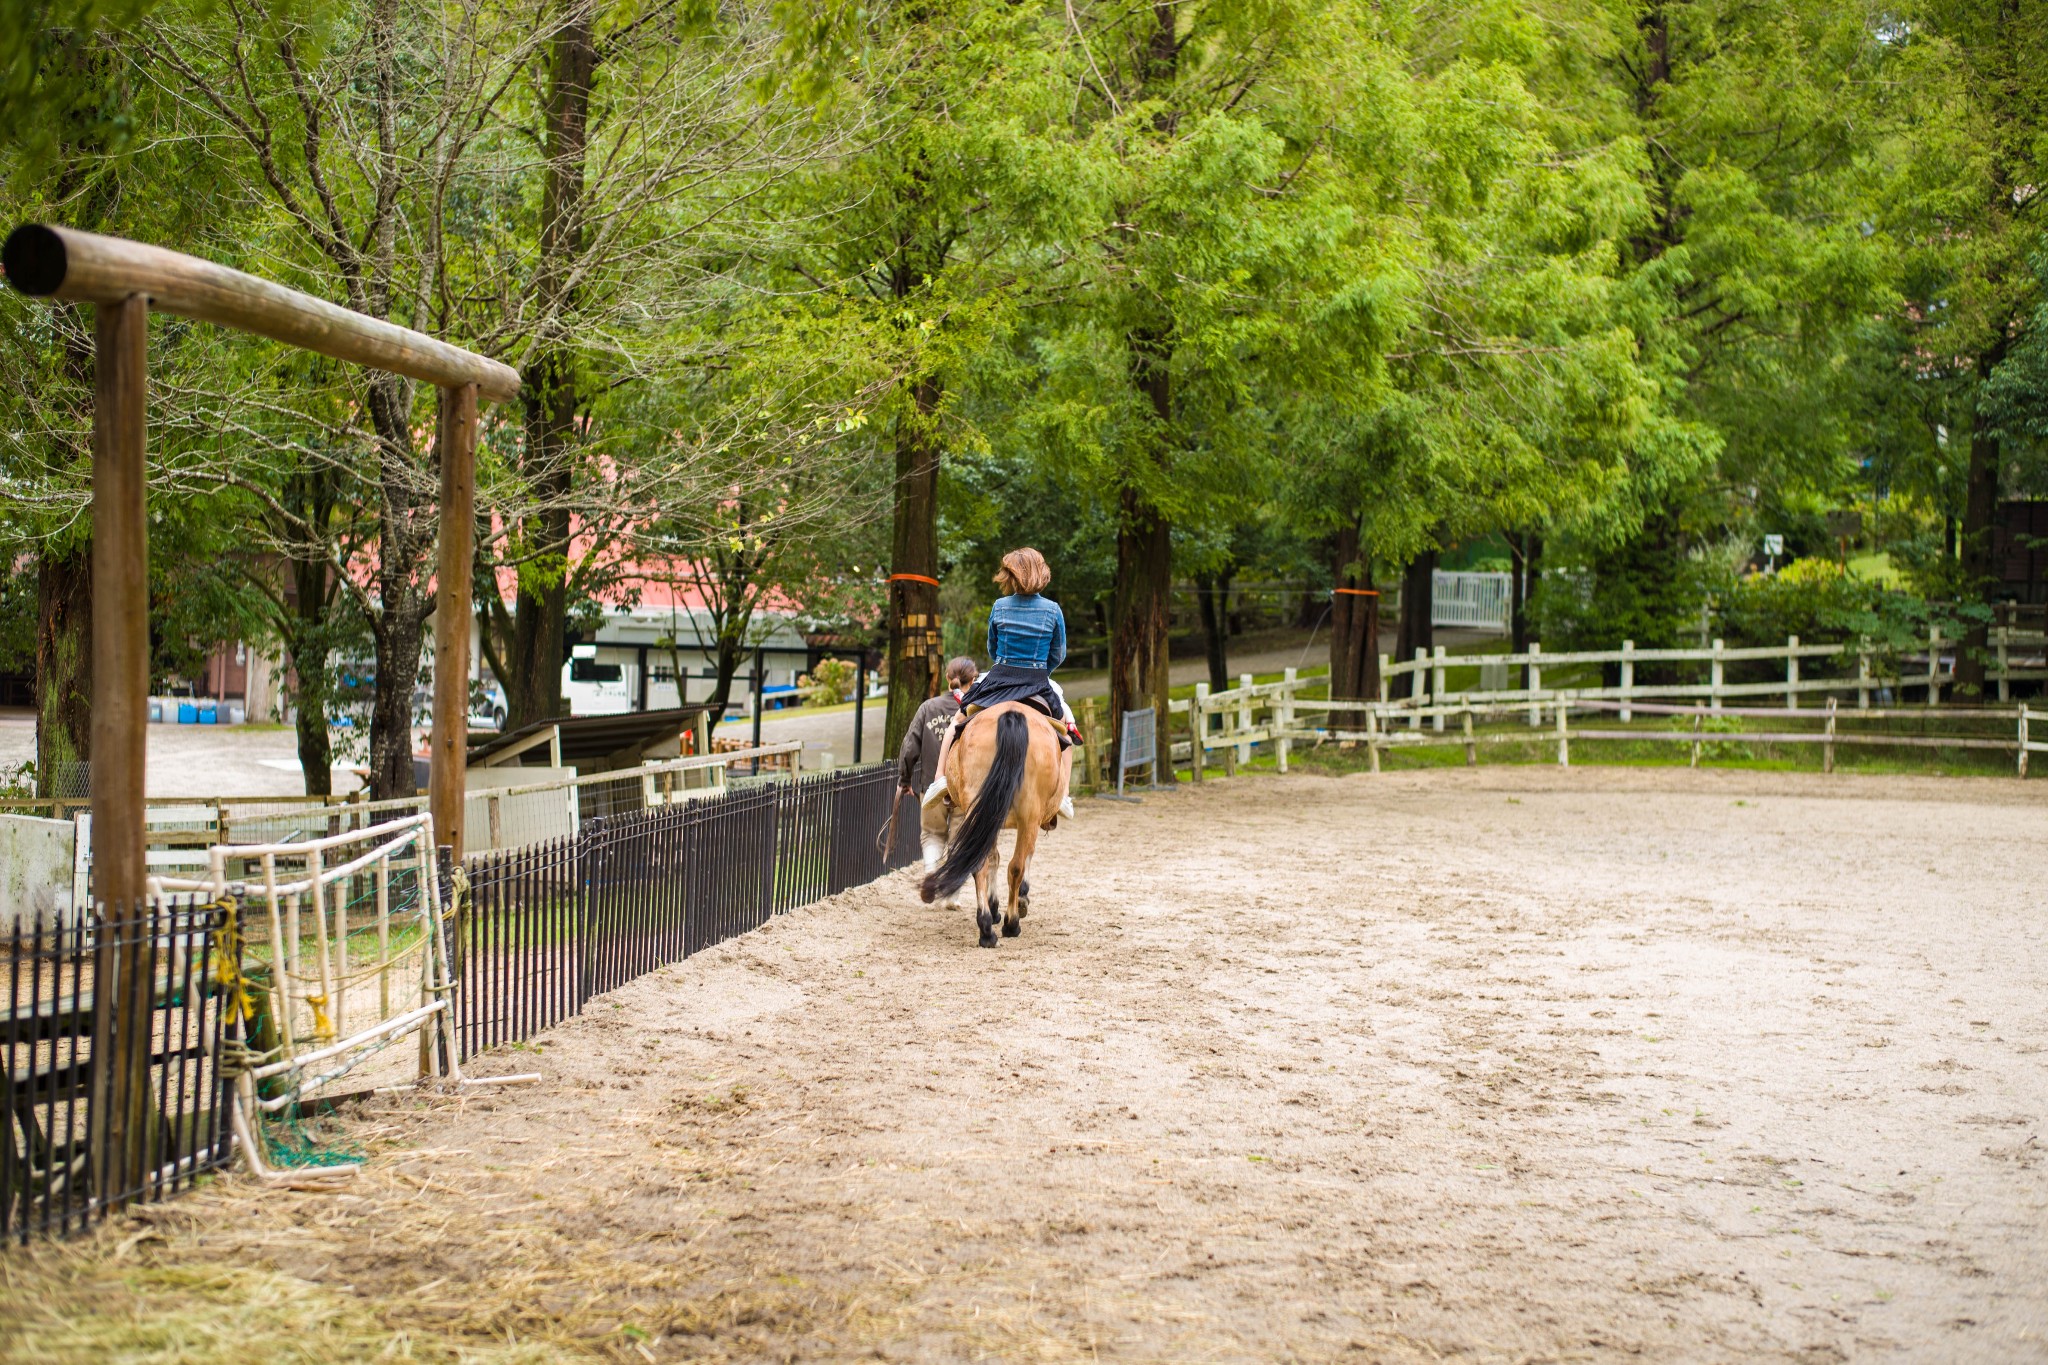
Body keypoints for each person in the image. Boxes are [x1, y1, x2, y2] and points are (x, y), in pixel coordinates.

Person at [923, 547, 1077, 822]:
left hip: (1000, 678)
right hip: (1038, 681)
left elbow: (992, 648)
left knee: (958, 721)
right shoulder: (1053, 610)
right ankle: (1062, 795)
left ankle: (940, 779)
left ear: (1011, 576)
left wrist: (1006, 666)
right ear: (1042, 573)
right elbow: (1058, 653)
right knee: (1066, 731)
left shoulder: (999, 606)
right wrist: (1042, 671)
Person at [898, 656, 978, 798]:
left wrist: (905, 779)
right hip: (965, 790)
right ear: (973, 680)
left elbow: (910, 747)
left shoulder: (928, 708)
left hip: (932, 789)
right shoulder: (976, 711)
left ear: (947, 678)